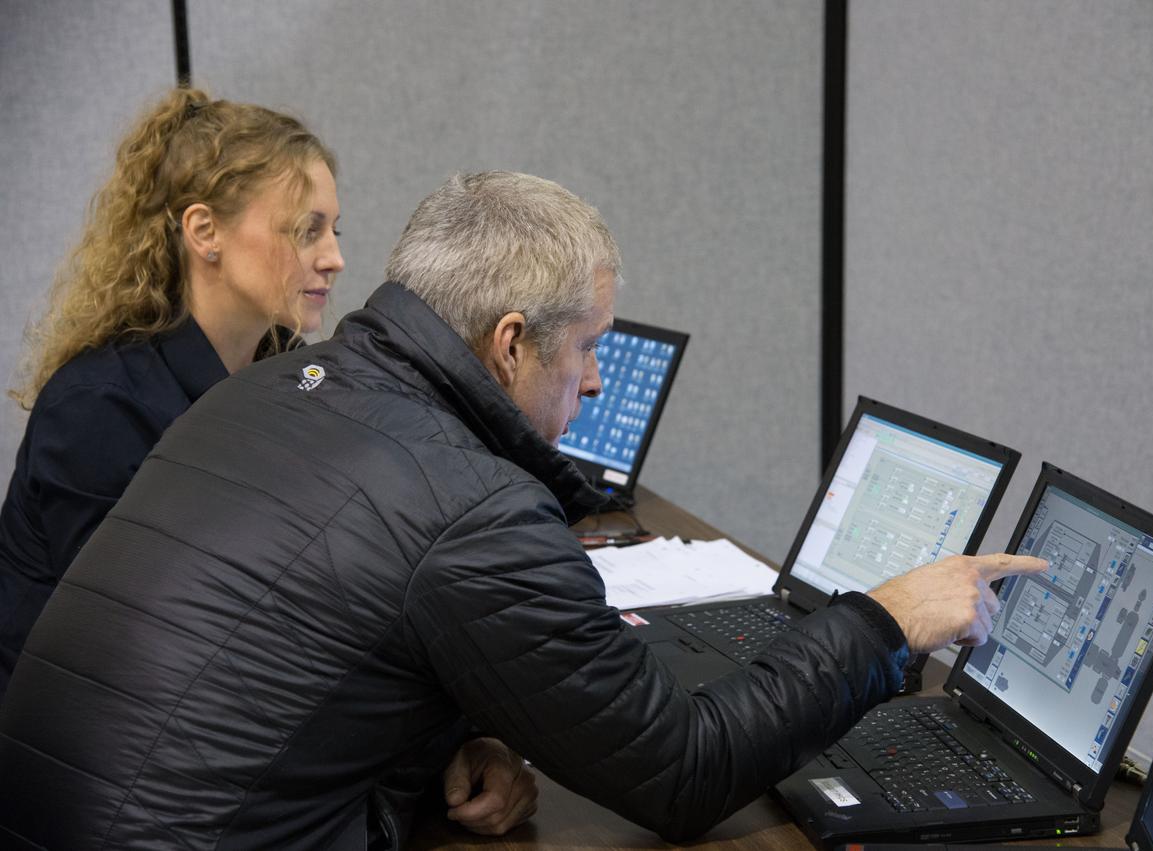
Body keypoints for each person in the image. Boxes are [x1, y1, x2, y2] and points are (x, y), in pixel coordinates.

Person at [0, 171, 1045, 849]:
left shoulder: (273, 388)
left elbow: (301, 646)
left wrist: (432, 744)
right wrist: (883, 619)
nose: (594, 381)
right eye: (586, 345)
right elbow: (680, 770)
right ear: (507, 343)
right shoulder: (473, 510)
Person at [0, 86, 345, 699]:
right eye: (305, 230)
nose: (334, 258)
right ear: (204, 231)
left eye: (334, 230)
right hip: (84, 749)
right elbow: (147, 640)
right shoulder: (98, 405)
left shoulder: (291, 378)